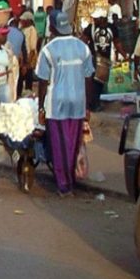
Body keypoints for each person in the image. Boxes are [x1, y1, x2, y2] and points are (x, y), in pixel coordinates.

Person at [35, 11, 95, 197]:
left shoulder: (48, 49)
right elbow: (89, 77)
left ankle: (64, 185)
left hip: (57, 102)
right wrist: (88, 105)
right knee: (73, 144)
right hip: (77, 101)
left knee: (60, 144)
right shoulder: (83, 47)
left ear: (52, 27)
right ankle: (71, 180)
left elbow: (43, 81)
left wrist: (41, 108)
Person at [83, 9, 113, 111]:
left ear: (103, 18)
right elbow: (83, 40)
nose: (94, 20)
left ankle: (95, 103)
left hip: (104, 59)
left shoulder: (111, 27)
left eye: (97, 19)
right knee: (95, 82)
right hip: (94, 58)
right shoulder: (90, 28)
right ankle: (94, 104)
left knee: (99, 82)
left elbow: (117, 42)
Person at [19, 11, 39, 96]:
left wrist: (27, 63)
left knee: (28, 78)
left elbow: (32, 48)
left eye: (23, 20)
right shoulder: (22, 29)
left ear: (29, 21)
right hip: (22, 57)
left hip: (28, 58)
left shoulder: (32, 30)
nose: (21, 22)